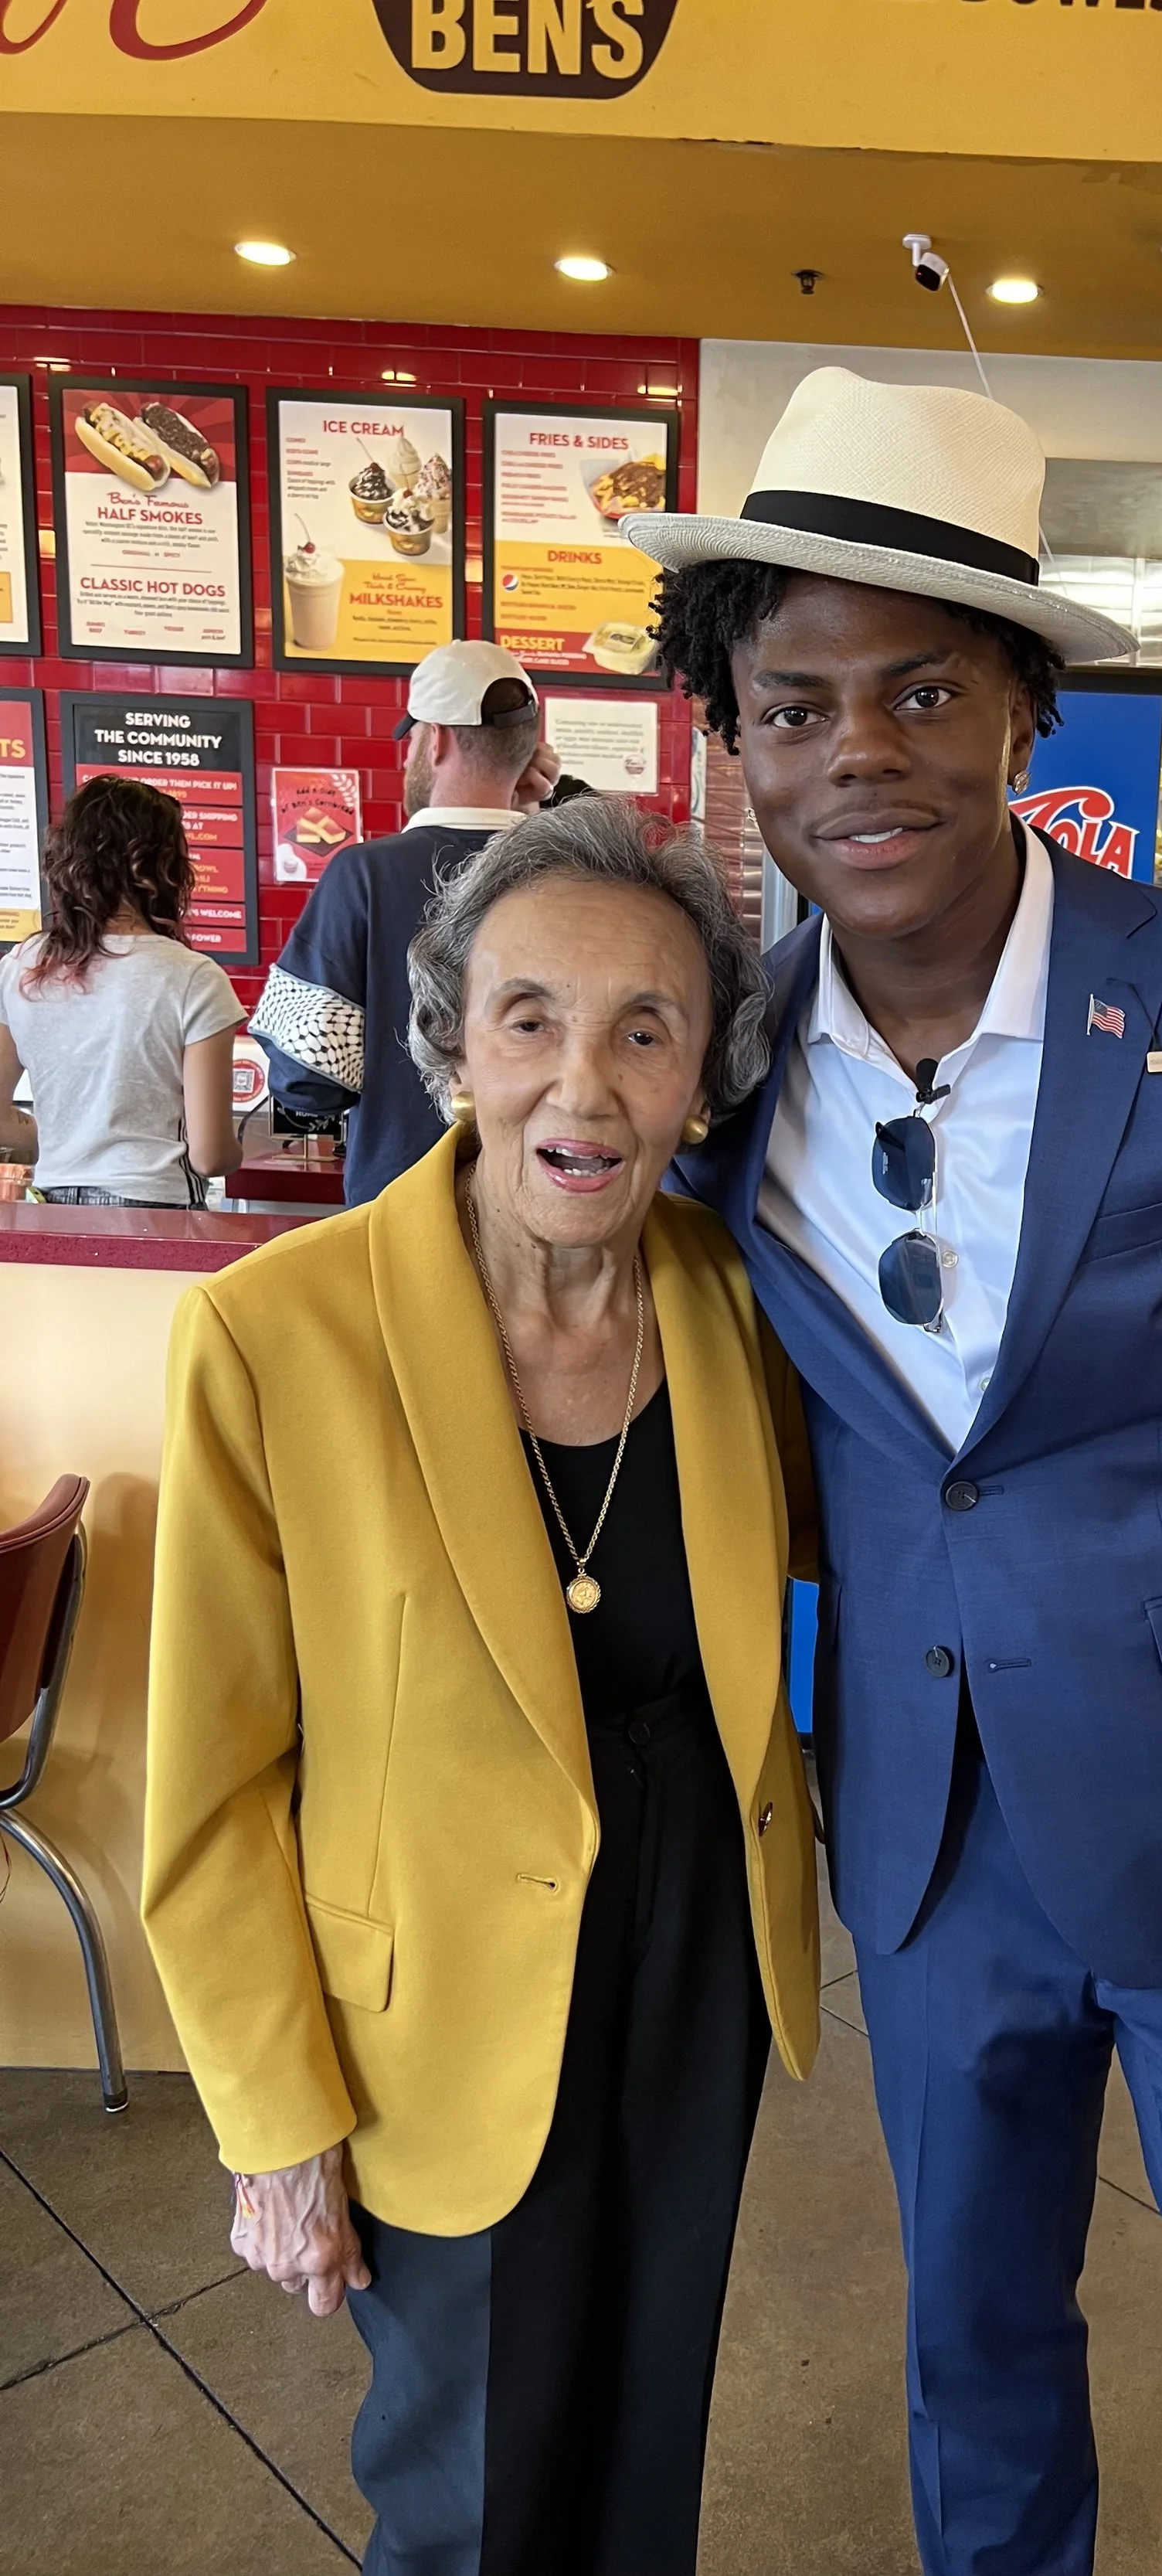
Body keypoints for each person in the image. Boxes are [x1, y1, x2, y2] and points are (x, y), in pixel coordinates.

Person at [646, 368, 1162, 2576]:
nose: (858, 751)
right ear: (734, 742)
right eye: (794, 706)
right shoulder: (721, 1063)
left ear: (1024, 710)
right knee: (972, 2357)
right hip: (927, 1839)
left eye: (921, 691)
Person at [143, 798, 819, 2576]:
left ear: (701, 1084)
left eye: (645, 1032)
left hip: (691, 1965)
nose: (580, 1086)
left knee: (644, 2457)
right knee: (473, 2503)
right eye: (530, 1019)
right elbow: (211, 1787)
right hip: (431, 1997)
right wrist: (274, 2121)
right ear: (450, 1046)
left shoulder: (729, 1303)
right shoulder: (276, 1334)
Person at [250, 639, 560, 1206]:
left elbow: (305, 1084)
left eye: (412, 739)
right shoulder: (571, 875)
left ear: (436, 740)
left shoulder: (364, 875)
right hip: (541, 1205)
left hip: (399, 1211)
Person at [0, 775, 244, 1206]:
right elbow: (210, 1156)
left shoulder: (24, 965)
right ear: (165, 869)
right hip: (158, 1210)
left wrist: (64, 1139)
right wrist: (239, 1153)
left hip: (55, 1210)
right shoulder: (193, 977)